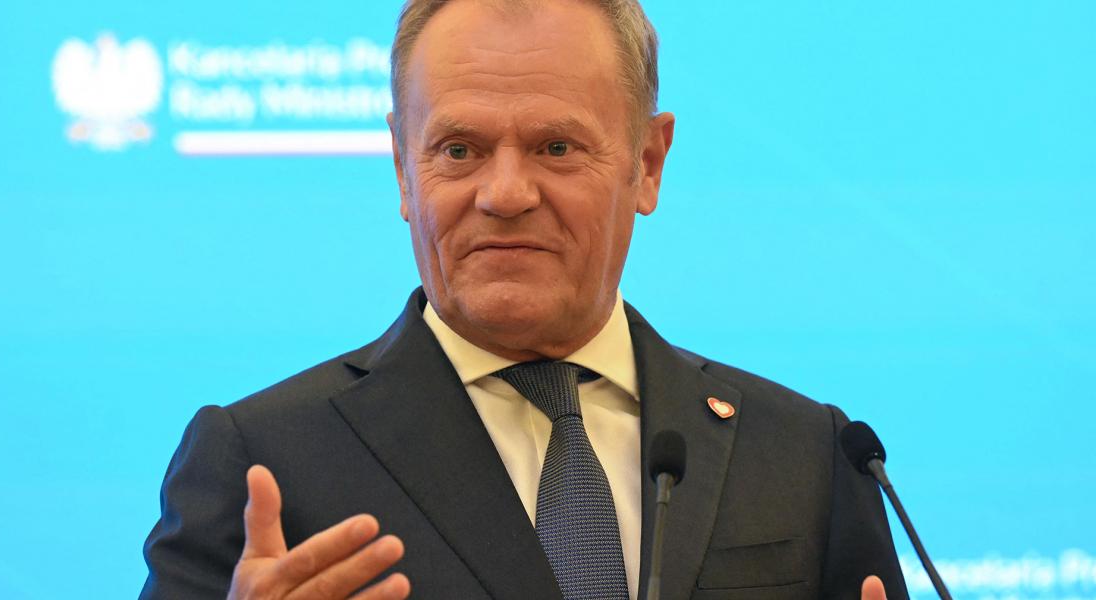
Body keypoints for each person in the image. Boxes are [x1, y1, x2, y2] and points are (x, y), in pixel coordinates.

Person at [141, 1, 910, 598]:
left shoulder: (807, 454)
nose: (505, 194)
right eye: (459, 150)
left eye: (556, 147)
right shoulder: (263, 465)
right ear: (404, 170)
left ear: (647, 163)